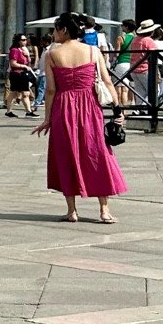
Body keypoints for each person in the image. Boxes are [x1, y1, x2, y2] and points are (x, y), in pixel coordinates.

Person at [35, 12, 127, 223]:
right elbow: (108, 82)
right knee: (97, 153)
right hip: (90, 107)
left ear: (64, 30)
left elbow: (50, 90)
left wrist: (47, 119)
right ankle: (104, 210)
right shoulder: (93, 51)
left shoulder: (51, 55)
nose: (53, 33)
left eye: (55, 29)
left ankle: (72, 211)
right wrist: (118, 110)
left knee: (67, 154)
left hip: (63, 106)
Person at [5, 33, 35, 116]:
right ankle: (9, 111)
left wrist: (27, 55)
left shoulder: (23, 50)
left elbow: (28, 61)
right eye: (23, 40)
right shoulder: (14, 50)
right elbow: (13, 63)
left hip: (23, 74)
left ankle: (28, 111)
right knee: (13, 92)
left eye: (26, 40)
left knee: (25, 93)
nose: (25, 41)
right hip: (16, 74)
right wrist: (24, 66)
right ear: (18, 41)